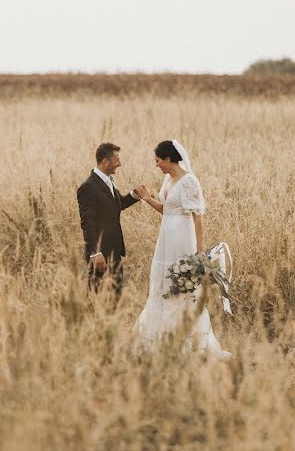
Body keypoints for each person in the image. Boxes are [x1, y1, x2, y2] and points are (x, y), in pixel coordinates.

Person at [133, 140, 230, 358]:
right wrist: (147, 198)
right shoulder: (168, 180)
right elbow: (166, 211)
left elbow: (197, 218)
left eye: (158, 161)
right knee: (162, 285)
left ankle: (185, 343)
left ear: (168, 159)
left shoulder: (189, 182)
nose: (156, 165)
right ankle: (158, 340)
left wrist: (199, 252)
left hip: (183, 241)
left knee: (182, 288)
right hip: (165, 240)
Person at [76, 142, 142, 300]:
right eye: (117, 160)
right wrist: (95, 253)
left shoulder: (108, 181)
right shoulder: (88, 187)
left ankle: (112, 325)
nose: (119, 163)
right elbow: (87, 223)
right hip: (100, 254)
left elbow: (117, 206)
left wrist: (134, 195)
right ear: (105, 162)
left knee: (115, 297)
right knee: (95, 297)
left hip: (115, 250)